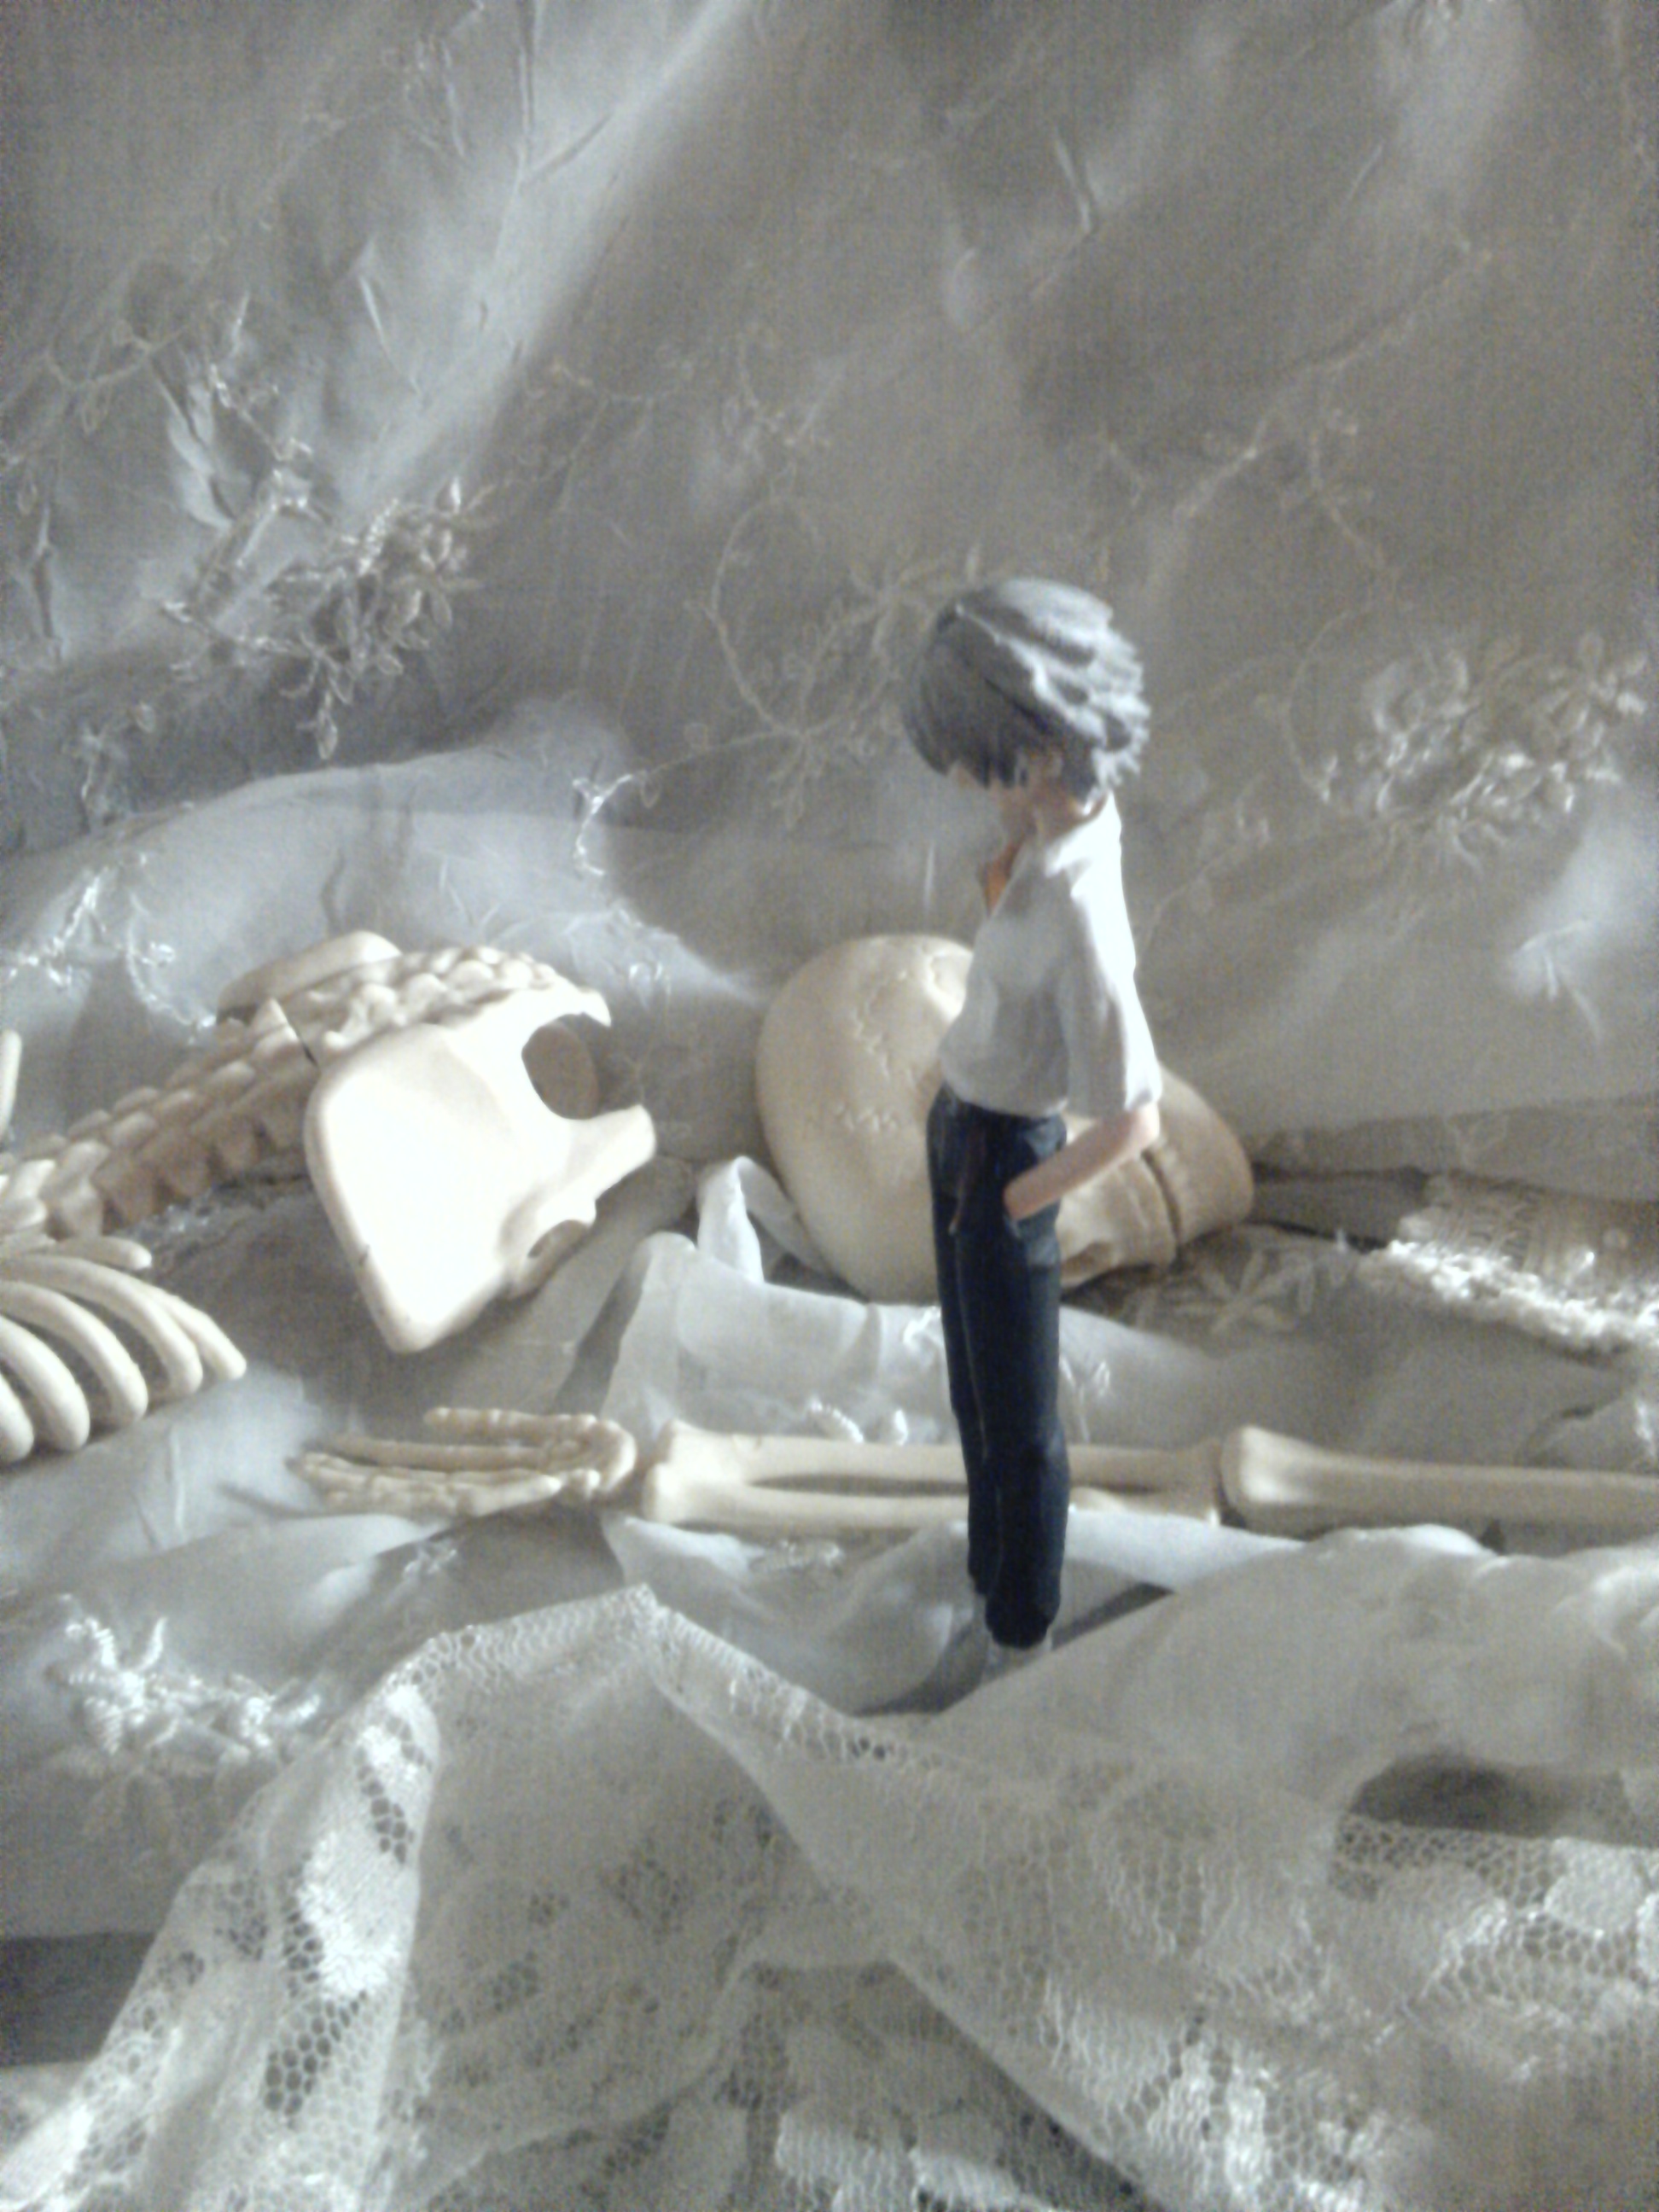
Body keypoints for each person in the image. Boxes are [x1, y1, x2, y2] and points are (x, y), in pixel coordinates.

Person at [905, 579, 1162, 1658]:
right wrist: (999, 880)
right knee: (972, 1396)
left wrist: (1021, 1200)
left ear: (1044, 748)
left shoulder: (1084, 906)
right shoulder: (1044, 841)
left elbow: (1134, 1119)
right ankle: (985, 1572)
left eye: (980, 760)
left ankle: (1021, 1622)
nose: (967, 782)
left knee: (1019, 1424)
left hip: (1007, 1153)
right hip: (960, 1129)